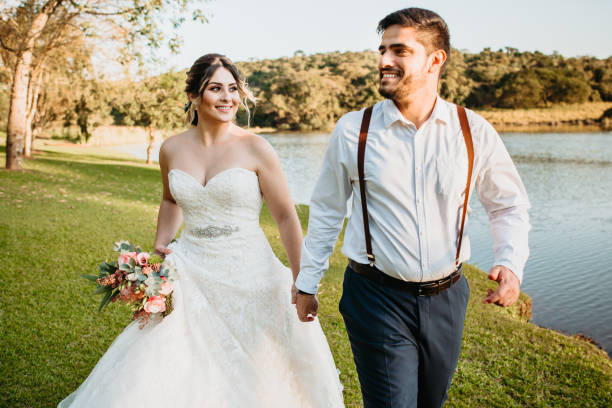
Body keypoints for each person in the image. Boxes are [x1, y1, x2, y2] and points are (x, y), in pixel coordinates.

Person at [59, 54, 344, 407]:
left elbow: (286, 216)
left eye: (232, 89)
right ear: (194, 96)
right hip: (189, 268)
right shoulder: (172, 148)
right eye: (215, 89)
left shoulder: (256, 147)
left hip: (250, 271)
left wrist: (302, 283)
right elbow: (171, 201)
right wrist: (159, 253)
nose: (227, 98)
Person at [295, 8, 530, 408]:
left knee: (429, 402)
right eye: (383, 50)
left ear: (435, 60)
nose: (384, 61)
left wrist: (510, 262)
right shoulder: (353, 130)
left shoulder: (473, 131)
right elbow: (327, 212)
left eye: (399, 50)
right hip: (375, 296)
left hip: (448, 298)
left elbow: (508, 204)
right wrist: (306, 283)